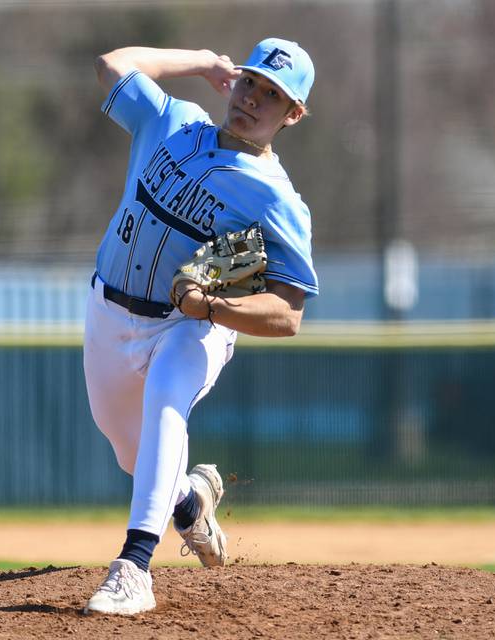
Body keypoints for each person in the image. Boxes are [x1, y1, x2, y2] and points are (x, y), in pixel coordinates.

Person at [82, 38, 318, 615]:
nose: (253, 99)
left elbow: (288, 311)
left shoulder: (276, 199)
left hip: (187, 325)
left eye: (272, 95)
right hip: (109, 311)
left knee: (167, 397)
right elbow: (111, 65)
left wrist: (213, 309)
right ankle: (189, 500)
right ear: (234, 80)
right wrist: (200, 62)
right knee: (129, 450)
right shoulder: (175, 120)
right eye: (250, 82)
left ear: (292, 114)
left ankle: (134, 567)